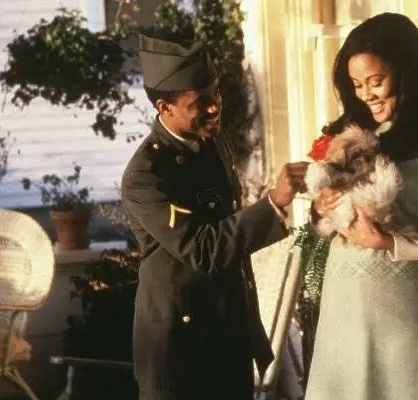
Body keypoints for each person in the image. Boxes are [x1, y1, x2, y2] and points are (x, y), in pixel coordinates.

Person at [121, 29, 308, 400]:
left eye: (216, 93)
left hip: (227, 336)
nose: (214, 107)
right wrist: (273, 202)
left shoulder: (210, 144)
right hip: (181, 352)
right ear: (165, 108)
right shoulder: (146, 175)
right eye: (199, 101)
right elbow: (205, 249)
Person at [305, 12, 418, 400]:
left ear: (407, 73)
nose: (366, 95)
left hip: (408, 320)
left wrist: (387, 243)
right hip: (344, 313)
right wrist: (322, 208)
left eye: (376, 81)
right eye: (357, 84)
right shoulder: (355, 133)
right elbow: (325, 220)